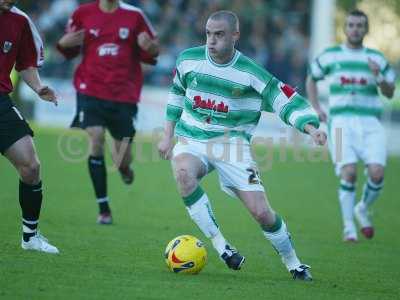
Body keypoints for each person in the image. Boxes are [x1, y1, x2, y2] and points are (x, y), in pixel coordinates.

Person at [158, 10, 327, 281]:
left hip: (232, 146)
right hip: (192, 138)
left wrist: (310, 127)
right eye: (208, 34)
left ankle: (294, 263)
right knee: (183, 173)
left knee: (262, 212)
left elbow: (284, 100)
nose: (212, 41)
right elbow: (177, 93)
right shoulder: (188, 59)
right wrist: (167, 134)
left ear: (235, 35)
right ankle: (221, 246)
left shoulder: (250, 72)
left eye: (219, 35)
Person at [57, 0, 159, 224]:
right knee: (95, 137)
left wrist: (149, 47)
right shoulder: (82, 13)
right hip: (90, 89)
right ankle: (103, 208)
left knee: (121, 159)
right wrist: (64, 43)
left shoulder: (135, 16)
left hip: (124, 94)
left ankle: (125, 169)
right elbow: (67, 48)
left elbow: (153, 51)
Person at [306, 9, 396, 242]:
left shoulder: (377, 58)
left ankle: (363, 208)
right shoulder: (331, 55)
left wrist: (379, 77)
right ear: (345, 29)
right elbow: (311, 78)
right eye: (351, 25)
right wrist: (316, 106)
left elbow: (390, 92)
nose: (355, 29)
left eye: (360, 25)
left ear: (366, 29)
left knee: (377, 174)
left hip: (371, 123)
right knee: (349, 173)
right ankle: (348, 228)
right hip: (340, 123)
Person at [0, 0, 59, 253]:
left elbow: (25, 62)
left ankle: (30, 237)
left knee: (31, 166)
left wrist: (38, 87)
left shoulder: (20, 21)